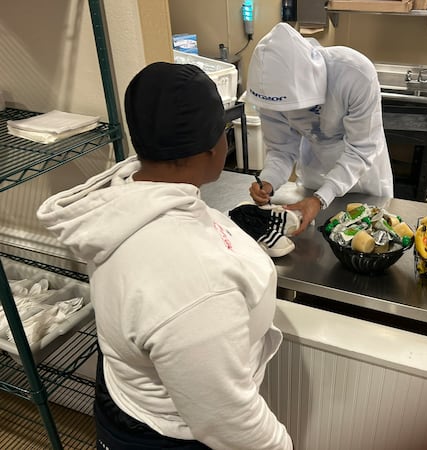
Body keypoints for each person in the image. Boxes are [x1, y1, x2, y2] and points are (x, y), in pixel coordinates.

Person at [37, 62, 292, 450]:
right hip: (171, 434)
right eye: (224, 133)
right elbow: (228, 421)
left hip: (127, 399)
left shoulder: (122, 201)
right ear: (211, 149)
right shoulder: (196, 285)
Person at [246, 22, 394, 235]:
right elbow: (281, 149)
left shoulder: (354, 74)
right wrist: (268, 181)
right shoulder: (269, 93)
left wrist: (320, 198)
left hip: (365, 180)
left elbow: (360, 149)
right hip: (314, 174)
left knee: (367, 238)